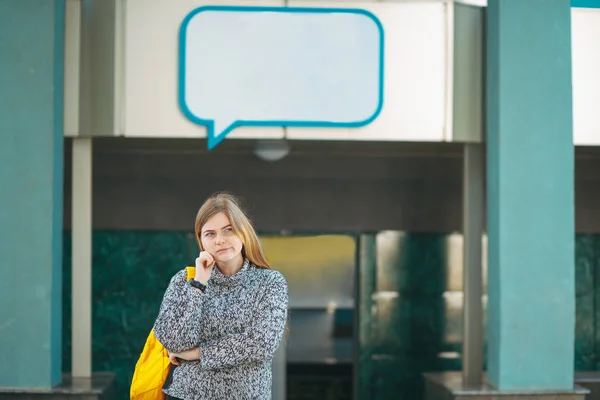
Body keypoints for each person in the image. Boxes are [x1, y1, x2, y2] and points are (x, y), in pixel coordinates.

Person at [153, 193, 289, 400]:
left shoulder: (270, 282)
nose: (220, 240)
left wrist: (197, 353)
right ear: (201, 240)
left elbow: (262, 343)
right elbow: (173, 340)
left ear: (243, 233)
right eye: (210, 233)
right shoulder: (184, 280)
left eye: (228, 230)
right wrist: (199, 284)